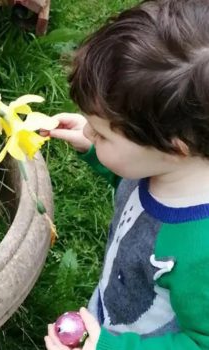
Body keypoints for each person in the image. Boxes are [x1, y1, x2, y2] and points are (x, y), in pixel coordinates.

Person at [43, 0, 209, 349]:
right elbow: (133, 187)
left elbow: (199, 342)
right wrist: (93, 149)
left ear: (172, 147)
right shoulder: (164, 166)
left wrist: (109, 347)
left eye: (102, 134)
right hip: (111, 310)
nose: (89, 132)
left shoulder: (201, 251)